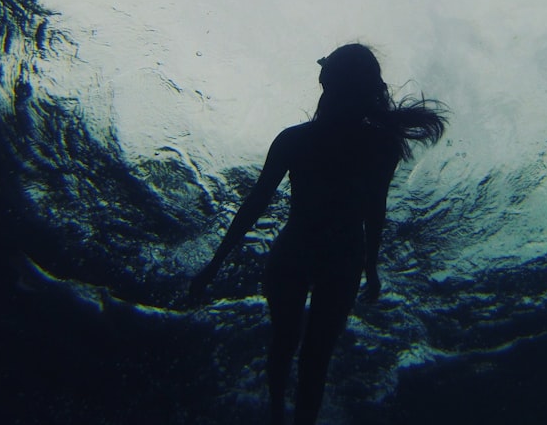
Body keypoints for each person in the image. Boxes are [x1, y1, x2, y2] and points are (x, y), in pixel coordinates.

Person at [188, 43, 447, 425]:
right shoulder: (379, 145)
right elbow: (373, 211)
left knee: (288, 345)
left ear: (327, 80)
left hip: (303, 252)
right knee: (312, 356)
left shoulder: (298, 140)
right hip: (341, 258)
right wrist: (371, 268)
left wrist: (214, 265)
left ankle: (278, 416)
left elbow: (256, 206)